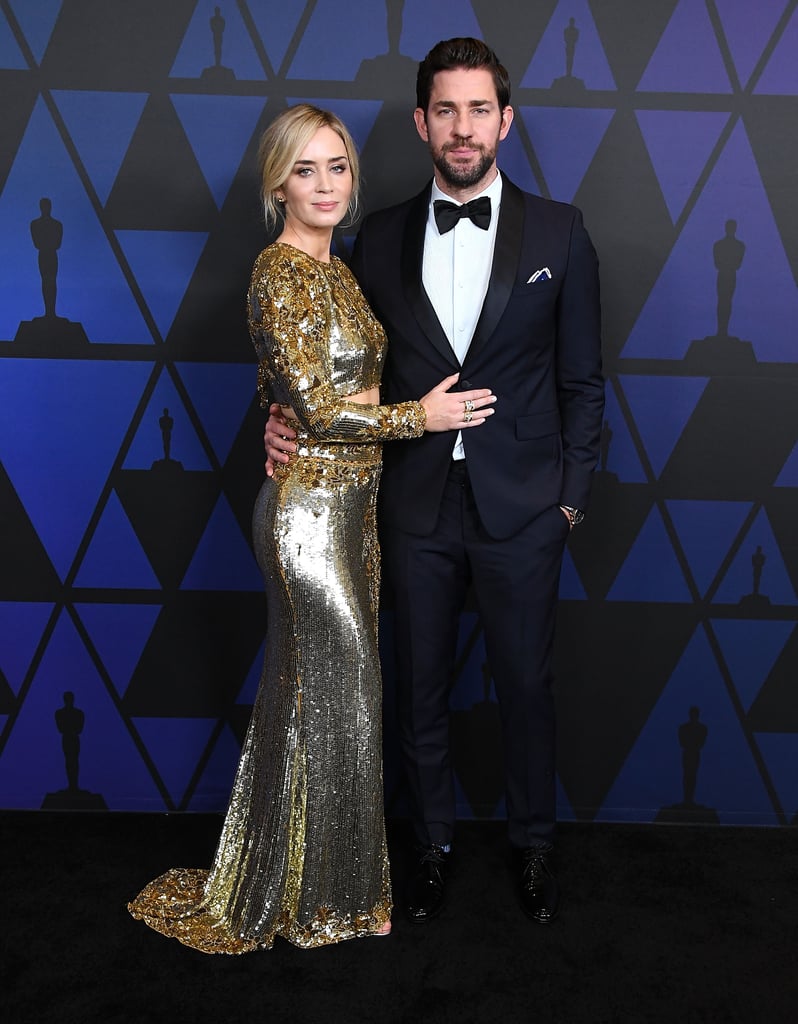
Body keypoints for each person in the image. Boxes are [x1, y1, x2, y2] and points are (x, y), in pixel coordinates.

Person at [127, 104, 494, 953]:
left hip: (352, 512)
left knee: (322, 700)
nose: (325, 185)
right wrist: (419, 418)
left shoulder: (340, 271)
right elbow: (327, 407)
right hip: (308, 519)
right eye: (306, 170)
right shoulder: (278, 271)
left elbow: (291, 381)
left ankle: (307, 882)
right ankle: (324, 900)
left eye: (337, 168)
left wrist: (279, 409)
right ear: (277, 184)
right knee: (337, 697)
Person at [265, 39, 604, 927]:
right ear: (421, 123)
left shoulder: (561, 232)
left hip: (525, 505)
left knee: (526, 687)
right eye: (445, 111)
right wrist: (279, 415)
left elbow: (583, 382)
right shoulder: (371, 240)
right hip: (408, 503)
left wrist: (569, 498)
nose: (463, 128)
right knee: (416, 689)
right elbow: (323, 360)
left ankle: (532, 846)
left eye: (479, 109)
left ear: (506, 119)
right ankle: (431, 847)